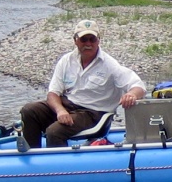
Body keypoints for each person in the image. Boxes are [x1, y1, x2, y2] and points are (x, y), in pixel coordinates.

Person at [19, 19, 147, 149]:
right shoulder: (66, 61)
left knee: (54, 132)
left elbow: (138, 86)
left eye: (92, 39)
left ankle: (58, 167)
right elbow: (53, 93)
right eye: (84, 39)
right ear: (75, 40)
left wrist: (131, 95)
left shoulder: (109, 64)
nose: (88, 44)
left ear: (98, 40)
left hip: (93, 113)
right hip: (68, 106)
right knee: (29, 110)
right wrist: (60, 111)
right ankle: (32, 156)